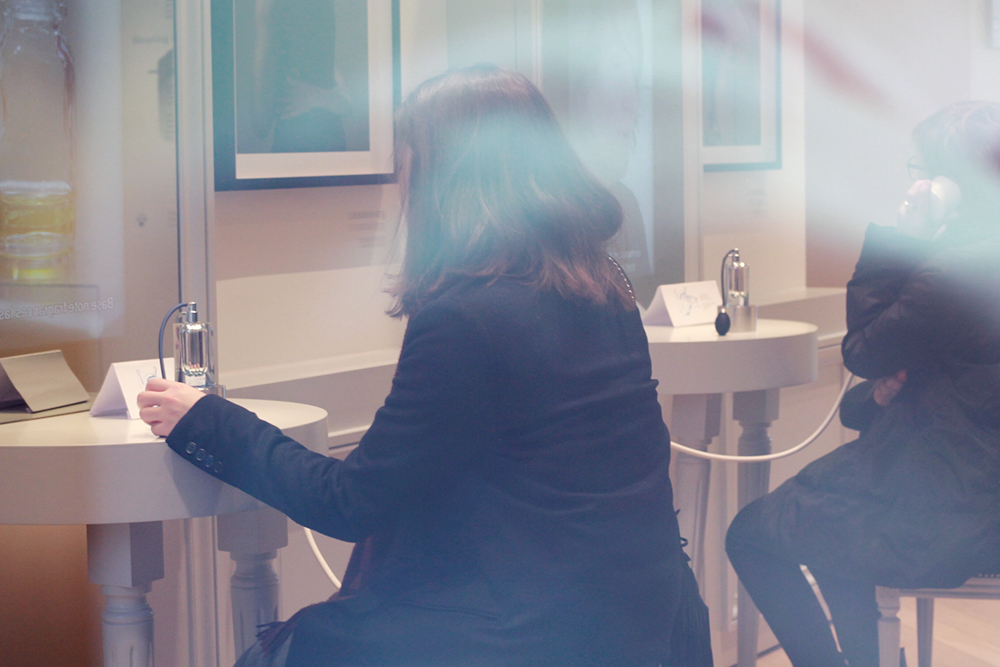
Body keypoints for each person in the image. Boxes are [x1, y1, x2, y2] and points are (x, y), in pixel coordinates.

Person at [139, 65, 704, 667]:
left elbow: (349, 502)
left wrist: (207, 420)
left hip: (524, 632)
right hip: (638, 614)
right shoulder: (605, 284)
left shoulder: (466, 318)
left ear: (439, 175)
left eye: (404, 162)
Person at [725, 100, 1000, 667]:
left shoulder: (952, 271)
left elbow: (864, 351)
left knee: (749, 535)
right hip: (971, 488)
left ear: (952, 184)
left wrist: (899, 236)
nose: (916, 183)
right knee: (832, 531)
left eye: (924, 170)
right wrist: (872, 397)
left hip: (952, 507)